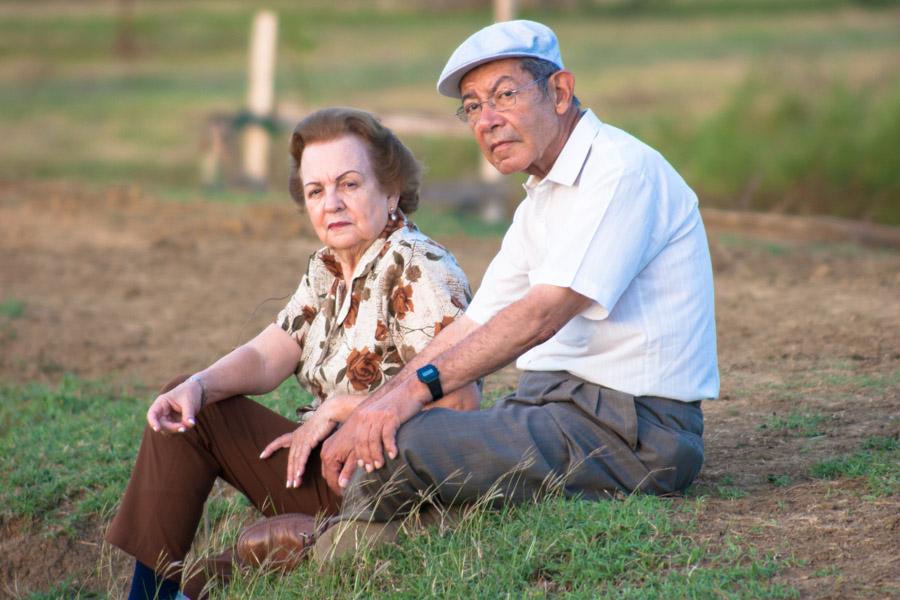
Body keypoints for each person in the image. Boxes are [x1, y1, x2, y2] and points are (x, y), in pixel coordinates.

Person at [317, 20, 719, 535]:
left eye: (504, 95)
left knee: (406, 446)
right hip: (556, 407)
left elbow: (542, 314)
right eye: (473, 106)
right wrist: (383, 402)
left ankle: (314, 546)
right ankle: (324, 536)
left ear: (559, 92)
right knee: (395, 429)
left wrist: (409, 396)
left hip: (632, 429)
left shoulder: (619, 171)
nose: (487, 120)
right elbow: (473, 325)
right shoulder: (543, 195)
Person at [104, 107, 480, 600]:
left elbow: (462, 403)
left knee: (219, 577)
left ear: (390, 191)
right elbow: (266, 356)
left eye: (349, 184)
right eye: (316, 191)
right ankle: (150, 592)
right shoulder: (327, 267)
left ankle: (293, 547)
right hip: (328, 467)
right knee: (191, 407)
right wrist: (195, 386)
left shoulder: (419, 265)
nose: (332, 204)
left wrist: (342, 407)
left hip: (391, 485)